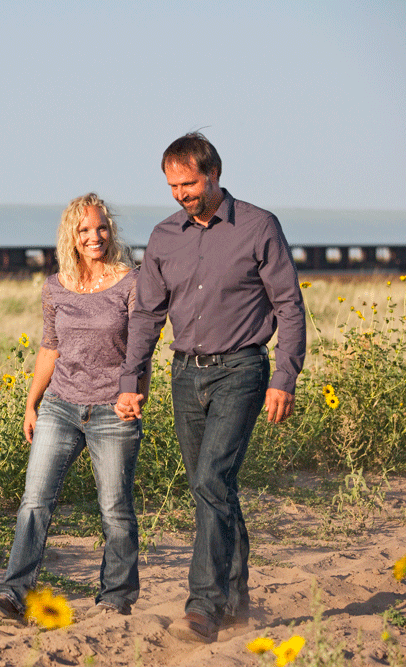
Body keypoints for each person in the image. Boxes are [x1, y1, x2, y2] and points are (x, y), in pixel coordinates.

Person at [115, 133, 306, 643]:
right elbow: (148, 314)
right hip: (185, 375)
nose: (181, 193)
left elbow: (289, 305)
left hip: (242, 371)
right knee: (213, 488)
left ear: (215, 173)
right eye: (173, 185)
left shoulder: (259, 226)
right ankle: (238, 595)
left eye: (190, 182)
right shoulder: (163, 237)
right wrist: (131, 382)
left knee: (210, 482)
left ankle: (204, 605)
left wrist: (284, 378)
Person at [0, 193, 151, 621]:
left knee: (115, 508)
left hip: (113, 409)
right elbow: (50, 348)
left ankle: (116, 598)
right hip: (60, 405)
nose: (95, 237)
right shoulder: (55, 286)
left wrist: (135, 394)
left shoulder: (131, 281)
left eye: (101, 228)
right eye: (85, 230)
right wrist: (31, 403)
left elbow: (141, 350)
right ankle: (15, 592)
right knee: (34, 501)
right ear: (71, 236)